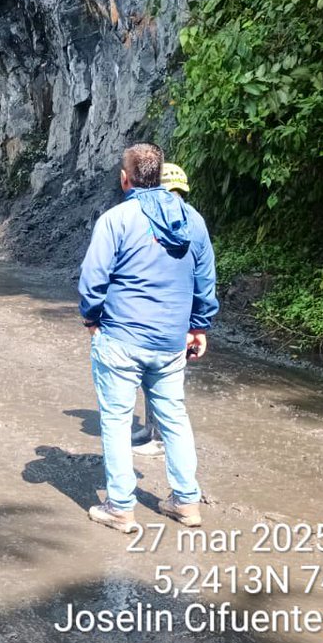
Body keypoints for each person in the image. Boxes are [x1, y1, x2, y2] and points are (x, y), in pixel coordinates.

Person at [78, 144, 218, 532]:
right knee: (174, 417)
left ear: (126, 178)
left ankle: (121, 507)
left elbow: (93, 279)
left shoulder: (116, 219)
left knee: (117, 421)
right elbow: (204, 280)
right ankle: (186, 503)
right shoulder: (194, 221)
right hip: (171, 342)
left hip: (121, 338)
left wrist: (92, 319)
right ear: (159, 175)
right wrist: (199, 326)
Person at [133, 162, 192, 457]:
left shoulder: (182, 225)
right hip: (167, 317)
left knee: (166, 387)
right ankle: (149, 430)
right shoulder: (180, 222)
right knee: (150, 379)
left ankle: (159, 439)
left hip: (167, 318)